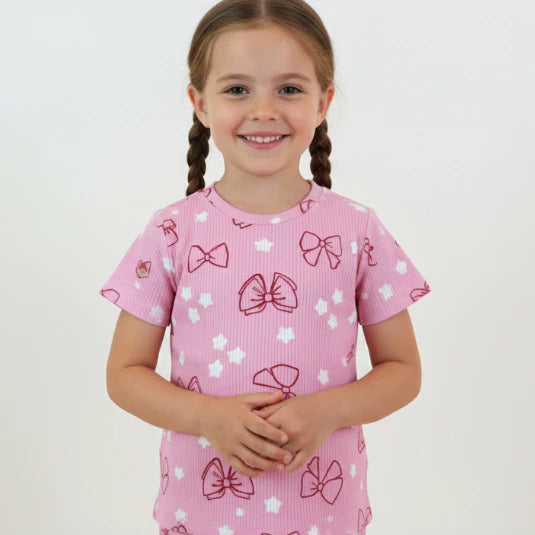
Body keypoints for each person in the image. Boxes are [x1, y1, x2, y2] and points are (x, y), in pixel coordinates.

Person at [98, 1, 432, 533]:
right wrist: (208, 417)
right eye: (237, 89)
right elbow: (124, 374)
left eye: (289, 89)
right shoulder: (171, 231)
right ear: (199, 103)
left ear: (323, 102)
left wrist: (329, 410)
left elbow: (403, 370)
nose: (264, 110)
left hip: (326, 516)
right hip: (199, 515)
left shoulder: (358, 230)